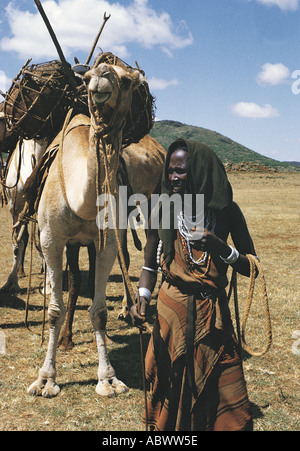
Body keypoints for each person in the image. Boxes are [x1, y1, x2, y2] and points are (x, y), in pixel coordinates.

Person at [130, 138, 256, 431]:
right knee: (169, 391)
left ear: (200, 171)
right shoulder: (161, 209)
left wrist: (220, 248)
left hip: (212, 317)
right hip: (170, 315)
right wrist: (143, 297)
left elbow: (252, 267)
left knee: (225, 397)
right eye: (170, 171)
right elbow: (149, 264)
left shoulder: (227, 213)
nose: (173, 177)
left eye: (181, 171)